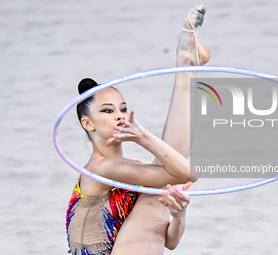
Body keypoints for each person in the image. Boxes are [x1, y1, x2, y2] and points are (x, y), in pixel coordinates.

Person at [65, 4, 210, 255]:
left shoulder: (127, 170)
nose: (120, 116)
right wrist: (143, 137)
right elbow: (188, 173)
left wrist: (179, 216)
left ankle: (186, 68)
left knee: (162, 189)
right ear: (87, 124)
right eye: (108, 111)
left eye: (123, 108)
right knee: (161, 185)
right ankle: (185, 67)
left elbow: (170, 242)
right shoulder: (101, 168)